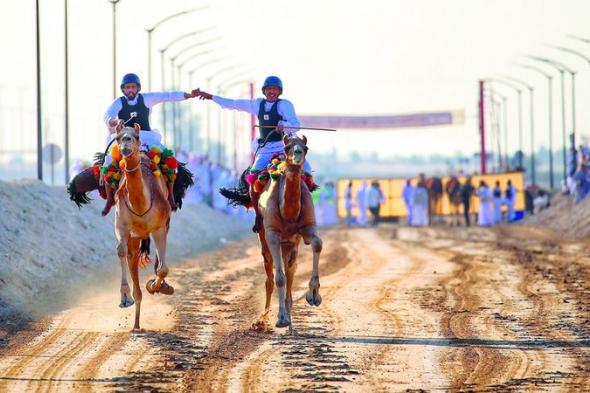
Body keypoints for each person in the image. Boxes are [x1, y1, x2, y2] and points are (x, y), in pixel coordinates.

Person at [195, 76, 316, 231]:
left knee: (306, 169)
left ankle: (306, 211)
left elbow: (296, 125)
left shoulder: (284, 105)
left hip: (283, 148)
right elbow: (232, 104)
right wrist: (211, 97)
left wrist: (283, 125)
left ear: (279, 92)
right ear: (264, 91)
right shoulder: (257, 104)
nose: (272, 92)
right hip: (265, 149)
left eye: (275, 89)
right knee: (252, 175)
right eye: (269, 89)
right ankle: (259, 216)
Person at [101, 73, 199, 215]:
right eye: (127, 87)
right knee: (107, 163)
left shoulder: (147, 98)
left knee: (170, 160)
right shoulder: (119, 102)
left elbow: (167, 96)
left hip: (147, 137)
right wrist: (115, 121)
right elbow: (107, 116)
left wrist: (188, 95)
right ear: (123, 89)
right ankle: (110, 199)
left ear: (138, 88)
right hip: (126, 139)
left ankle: (170, 195)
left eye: (133, 87)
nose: (130, 90)